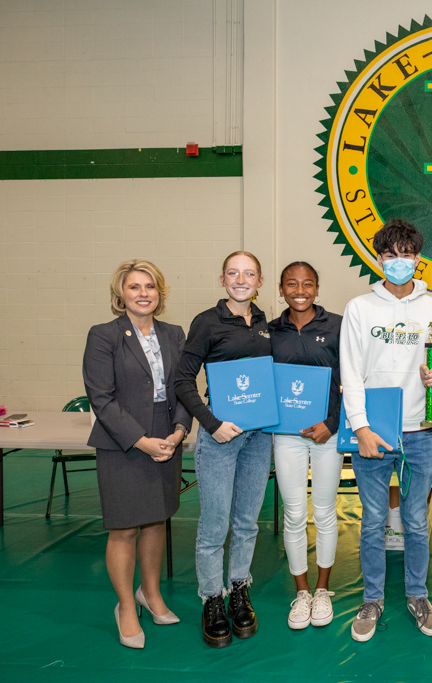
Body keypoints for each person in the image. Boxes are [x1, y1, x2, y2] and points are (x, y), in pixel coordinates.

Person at [340, 219, 432, 642]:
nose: (398, 262)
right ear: (378, 259)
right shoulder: (360, 308)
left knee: (416, 522)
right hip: (375, 433)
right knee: (373, 522)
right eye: (390, 254)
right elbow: (351, 371)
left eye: (407, 254)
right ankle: (372, 599)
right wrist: (361, 427)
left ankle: (418, 595)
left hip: (419, 432)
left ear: (418, 260)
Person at [83, 259, 192, 649]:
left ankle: (151, 593)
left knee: (156, 521)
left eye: (150, 286)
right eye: (134, 287)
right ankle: (126, 606)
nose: (143, 293)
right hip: (123, 446)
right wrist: (142, 440)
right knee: (126, 527)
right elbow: (102, 398)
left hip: (168, 441)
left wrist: (179, 432)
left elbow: (185, 386)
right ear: (120, 295)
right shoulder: (104, 336)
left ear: (160, 293)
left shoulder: (175, 333)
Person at [175, 251, 274, 649]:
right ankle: (212, 599)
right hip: (220, 437)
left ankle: (238, 589)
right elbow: (182, 381)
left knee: (248, 522)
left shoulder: (268, 323)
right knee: (215, 525)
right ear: (222, 279)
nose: (240, 279)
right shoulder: (206, 322)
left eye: (248, 273)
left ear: (259, 281)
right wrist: (211, 424)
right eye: (233, 273)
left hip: (259, 436)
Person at [267, 261, 343, 629]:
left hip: (327, 435)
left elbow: (353, 380)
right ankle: (301, 593)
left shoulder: (338, 326)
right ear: (281, 289)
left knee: (325, 512)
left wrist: (332, 424)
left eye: (308, 283)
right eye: (292, 284)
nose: (300, 290)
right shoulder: (269, 332)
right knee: (295, 514)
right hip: (287, 436)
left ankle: (323, 589)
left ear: (317, 288)